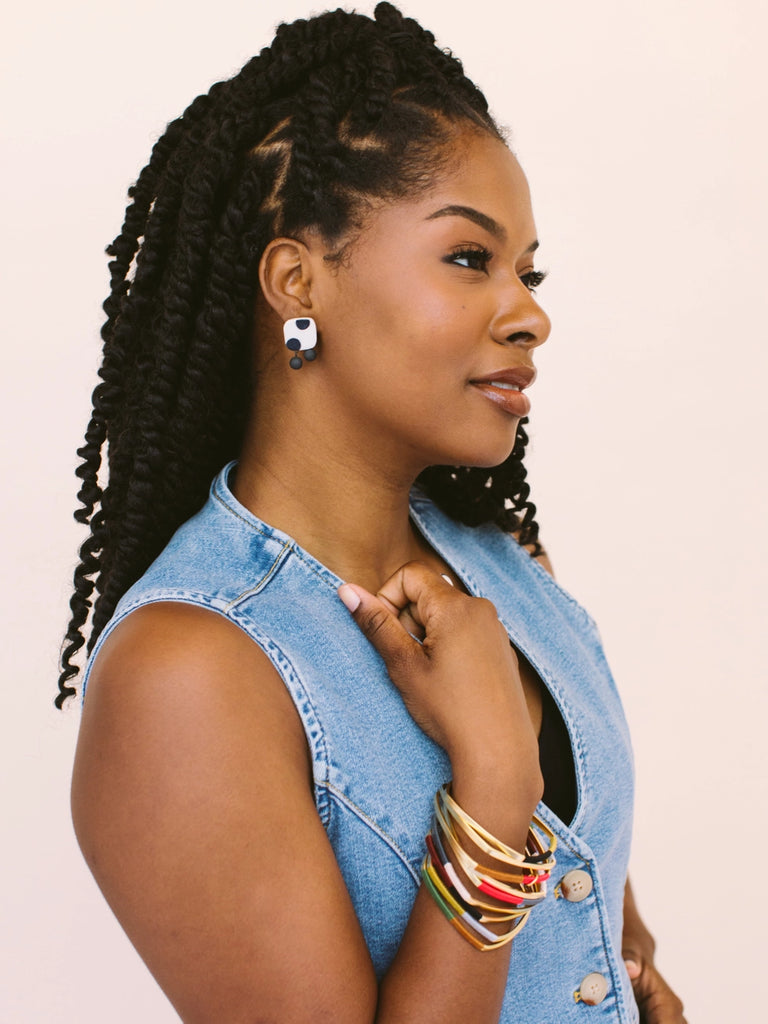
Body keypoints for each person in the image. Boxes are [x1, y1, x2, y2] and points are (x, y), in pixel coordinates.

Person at [59, 4, 686, 1021]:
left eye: (528, 272)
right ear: (297, 281)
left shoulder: (505, 563)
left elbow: (596, 930)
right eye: (470, 259)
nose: (531, 313)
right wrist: (493, 783)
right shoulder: (190, 675)